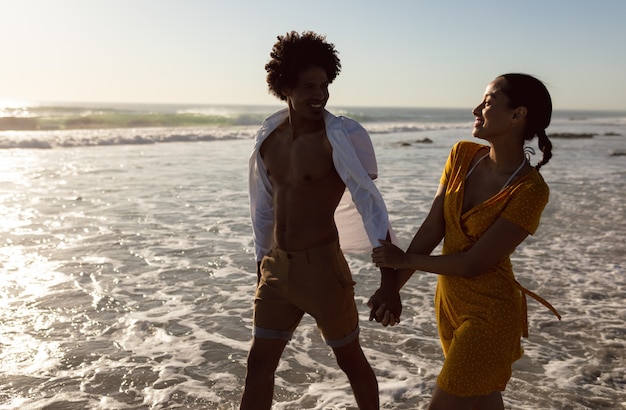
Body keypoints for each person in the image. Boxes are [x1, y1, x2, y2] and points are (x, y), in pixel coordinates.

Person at [369, 73, 561, 409]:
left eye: (488, 102)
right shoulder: (461, 156)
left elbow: (474, 263)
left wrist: (401, 261)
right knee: (483, 400)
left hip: (490, 314)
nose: (476, 109)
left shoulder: (530, 190)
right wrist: (391, 289)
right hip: (449, 306)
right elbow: (432, 229)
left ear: (518, 115)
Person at [241, 31, 400, 410]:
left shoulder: (341, 136)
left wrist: (390, 281)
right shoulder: (269, 138)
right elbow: (263, 205)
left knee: (350, 361)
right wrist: (261, 261)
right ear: (285, 86)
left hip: (323, 270)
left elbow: (369, 202)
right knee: (258, 364)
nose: (320, 94)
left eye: (325, 85)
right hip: (278, 270)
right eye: (309, 86)